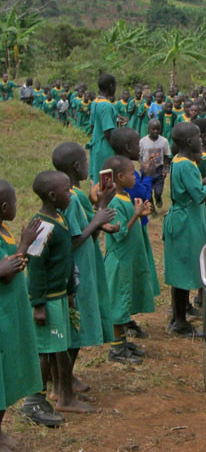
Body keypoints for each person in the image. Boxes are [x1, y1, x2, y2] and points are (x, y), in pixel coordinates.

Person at [22, 171, 93, 419]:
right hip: (49, 301)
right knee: (47, 351)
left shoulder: (60, 218)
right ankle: (35, 400)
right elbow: (36, 268)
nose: (71, 195)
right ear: (52, 196)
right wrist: (39, 304)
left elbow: (64, 261)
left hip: (61, 296)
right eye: (66, 190)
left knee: (60, 347)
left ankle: (65, 396)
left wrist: (70, 291)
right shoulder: (41, 227)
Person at [52, 143, 117, 399]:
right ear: (78, 167)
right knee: (74, 329)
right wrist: (100, 214)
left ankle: (65, 380)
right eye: (86, 162)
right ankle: (61, 385)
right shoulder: (72, 196)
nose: (89, 166)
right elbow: (74, 239)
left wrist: (101, 209)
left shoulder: (70, 193)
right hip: (77, 268)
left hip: (81, 264)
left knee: (73, 329)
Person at [163, 122, 206, 337]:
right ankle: (180, 323)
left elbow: (193, 187)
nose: (201, 140)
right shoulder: (187, 164)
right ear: (189, 142)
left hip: (184, 217)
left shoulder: (180, 161)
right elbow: (199, 195)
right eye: (198, 137)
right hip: (186, 221)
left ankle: (177, 317)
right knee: (184, 271)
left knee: (180, 270)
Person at [0, 180, 48, 435]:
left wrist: (27, 247)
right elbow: (6, 271)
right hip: (3, 314)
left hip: (13, 309)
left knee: (8, 374)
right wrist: (23, 244)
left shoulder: (4, 229)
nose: (18, 206)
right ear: (4, 206)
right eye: (15, 202)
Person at [108, 128, 160, 339]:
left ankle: (127, 320)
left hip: (135, 232)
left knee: (133, 278)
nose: (140, 148)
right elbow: (140, 193)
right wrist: (147, 177)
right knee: (123, 283)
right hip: (127, 239)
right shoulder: (123, 177)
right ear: (128, 148)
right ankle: (121, 329)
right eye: (137, 145)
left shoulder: (124, 170)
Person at [101, 155, 153, 364]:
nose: (135, 177)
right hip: (118, 261)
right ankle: (116, 349)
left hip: (127, 260)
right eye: (132, 173)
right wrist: (136, 214)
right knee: (118, 303)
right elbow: (119, 232)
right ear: (120, 177)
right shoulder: (114, 201)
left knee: (124, 301)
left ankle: (122, 343)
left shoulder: (124, 197)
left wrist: (139, 213)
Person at [87, 73, 118, 182]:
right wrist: (116, 148)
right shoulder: (106, 105)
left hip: (96, 144)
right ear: (110, 86)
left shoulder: (95, 102)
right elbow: (107, 131)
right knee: (106, 178)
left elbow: (92, 125)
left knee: (96, 176)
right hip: (105, 146)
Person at [139, 119, 172, 210]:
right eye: (153, 129)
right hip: (147, 170)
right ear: (148, 129)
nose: (156, 131)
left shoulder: (164, 141)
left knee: (158, 190)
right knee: (147, 191)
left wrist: (165, 169)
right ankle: (152, 208)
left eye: (158, 129)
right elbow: (140, 156)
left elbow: (167, 156)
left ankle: (158, 198)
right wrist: (143, 165)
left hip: (159, 169)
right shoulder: (143, 141)